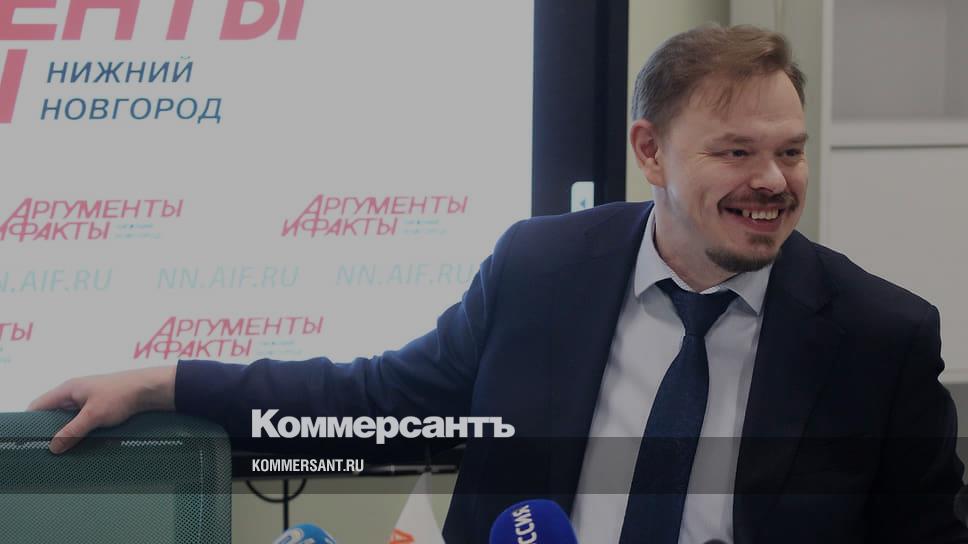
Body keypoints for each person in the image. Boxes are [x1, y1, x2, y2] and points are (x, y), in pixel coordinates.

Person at [29, 24, 968, 543]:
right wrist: (166, 384)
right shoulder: (542, 270)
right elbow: (376, 401)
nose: (774, 182)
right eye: (736, 152)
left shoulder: (877, 336)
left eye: (790, 152)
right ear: (649, 151)